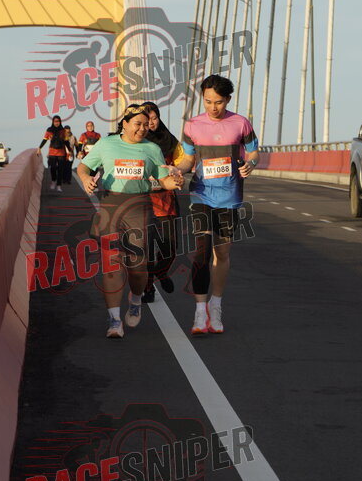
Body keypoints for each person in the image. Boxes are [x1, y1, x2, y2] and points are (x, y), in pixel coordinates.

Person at [77, 104, 183, 338]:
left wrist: (174, 182)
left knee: (137, 267)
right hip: (111, 206)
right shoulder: (106, 144)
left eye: (146, 125)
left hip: (139, 208)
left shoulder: (152, 149)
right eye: (137, 124)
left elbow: (163, 180)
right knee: (112, 264)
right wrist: (85, 179)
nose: (142, 129)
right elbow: (84, 166)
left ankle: (135, 300)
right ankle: (114, 320)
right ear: (124, 124)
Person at [176, 74, 259, 336]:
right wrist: (177, 170)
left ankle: (216, 304)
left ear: (228, 100)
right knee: (201, 252)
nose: (213, 107)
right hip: (201, 195)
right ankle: (200, 311)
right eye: (208, 101)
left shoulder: (241, 123)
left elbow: (254, 152)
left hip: (230, 197)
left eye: (219, 102)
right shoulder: (192, 125)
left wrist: (250, 164)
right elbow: (188, 160)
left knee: (221, 253)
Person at [142, 101, 186, 303]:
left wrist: (177, 173)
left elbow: (183, 162)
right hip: (143, 200)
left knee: (170, 247)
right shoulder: (135, 142)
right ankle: (148, 288)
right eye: (147, 119)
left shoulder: (170, 140)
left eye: (154, 118)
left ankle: (161, 272)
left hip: (166, 200)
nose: (151, 123)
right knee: (148, 248)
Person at [37, 115, 72, 192]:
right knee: (52, 168)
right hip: (52, 152)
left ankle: (59, 185)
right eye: (55, 121)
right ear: (53, 122)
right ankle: (53, 181)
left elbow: (66, 142)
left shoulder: (63, 131)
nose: (56, 123)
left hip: (61, 152)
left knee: (60, 169)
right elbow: (45, 139)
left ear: (60, 122)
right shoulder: (49, 130)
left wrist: (69, 151)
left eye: (58, 121)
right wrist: (39, 148)